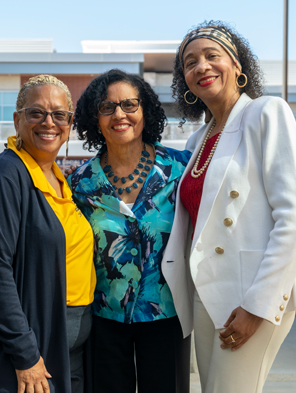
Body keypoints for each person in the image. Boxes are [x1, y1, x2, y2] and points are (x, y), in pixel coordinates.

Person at [161, 21, 296, 393]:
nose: (202, 67)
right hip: (206, 294)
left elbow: (294, 218)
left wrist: (258, 306)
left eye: (213, 56)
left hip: (250, 293)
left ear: (238, 66)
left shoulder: (266, 113)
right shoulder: (197, 139)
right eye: (191, 62)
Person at [0, 75, 96, 393]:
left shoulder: (58, 178)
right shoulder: (2, 177)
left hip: (64, 351)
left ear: (70, 124)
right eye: (36, 112)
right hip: (19, 355)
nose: (48, 122)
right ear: (17, 120)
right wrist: (25, 355)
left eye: (59, 114)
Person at [68, 69, 192, 393]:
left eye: (129, 105)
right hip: (104, 319)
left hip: (167, 316)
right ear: (95, 119)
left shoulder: (180, 170)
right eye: (107, 107)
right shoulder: (79, 183)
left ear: (145, 111)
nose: (119, 114)